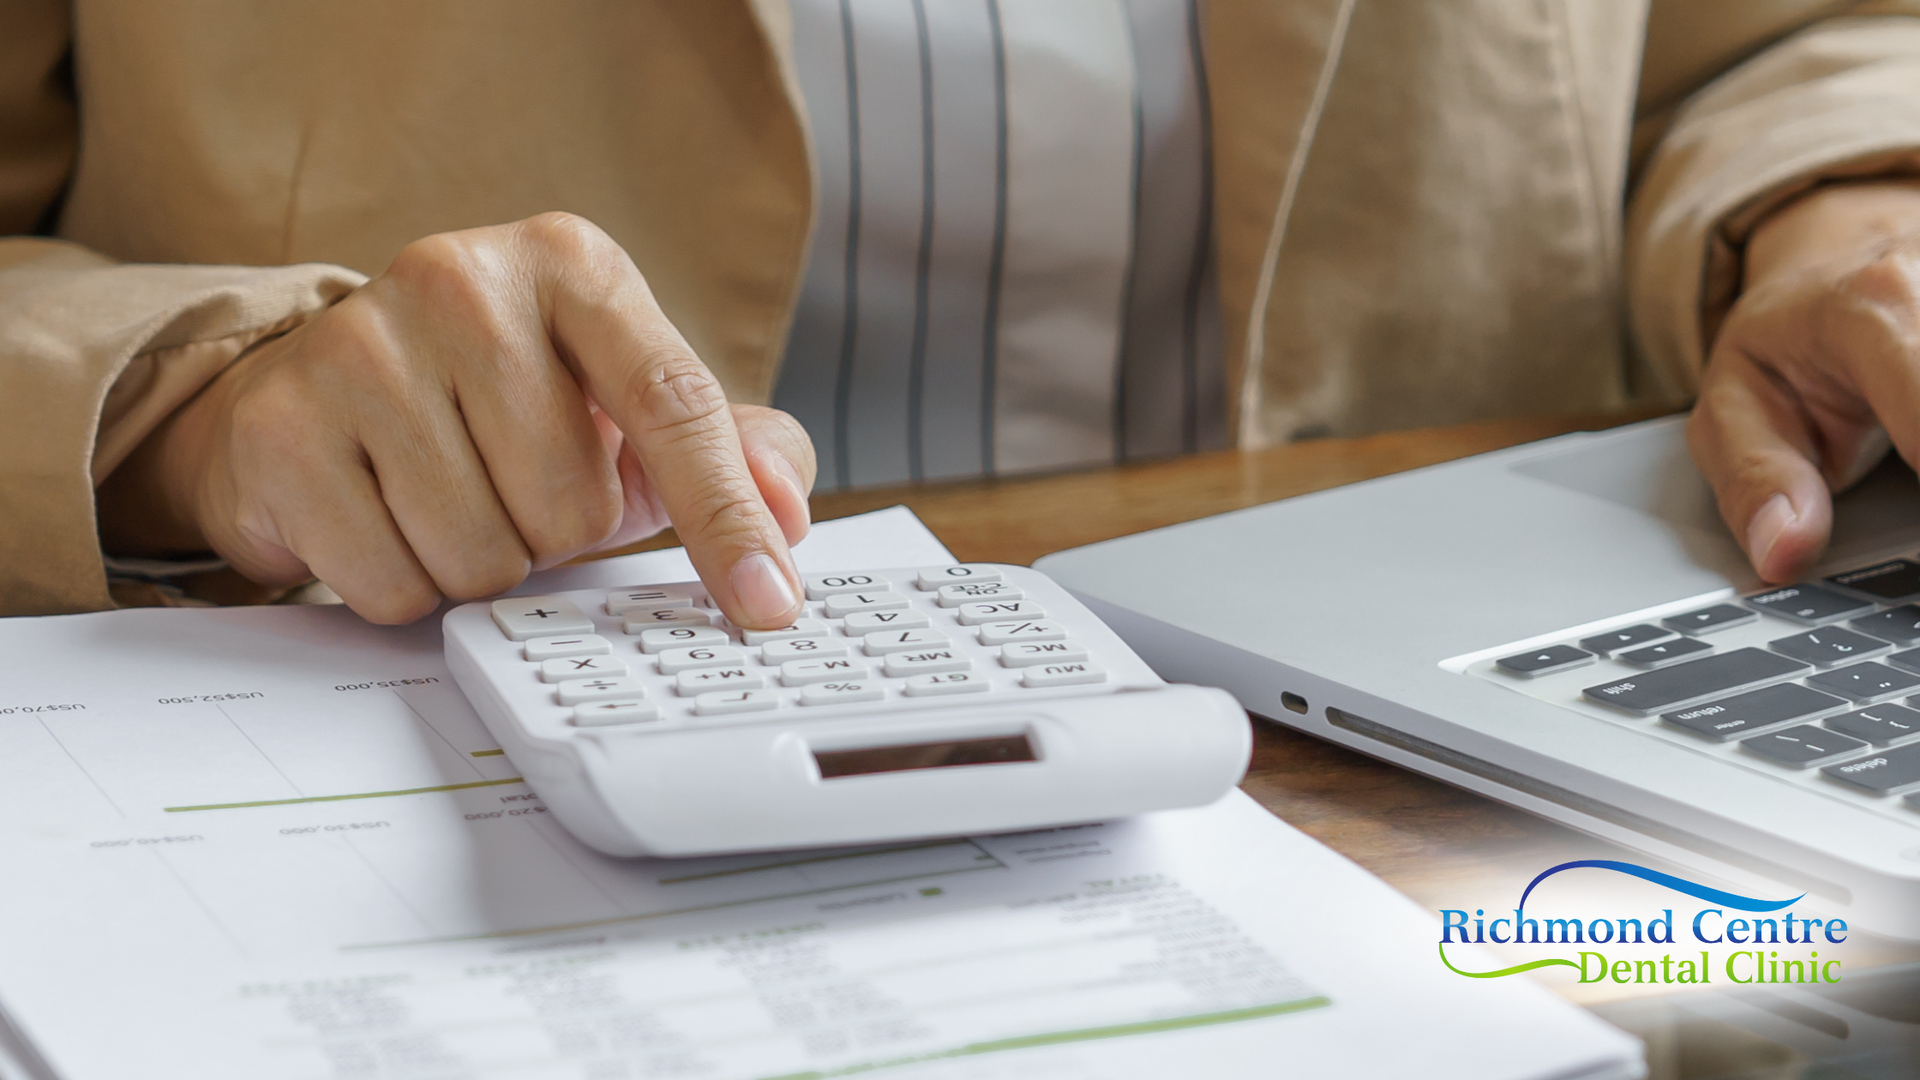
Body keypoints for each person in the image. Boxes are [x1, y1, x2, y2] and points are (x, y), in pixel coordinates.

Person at [2, 0, 1917, 629]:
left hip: (1465, 732)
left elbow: (1795, 34)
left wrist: (1846, 224)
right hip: (431, 744)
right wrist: (189, 406)